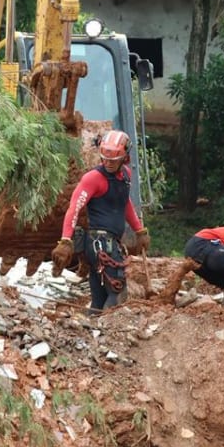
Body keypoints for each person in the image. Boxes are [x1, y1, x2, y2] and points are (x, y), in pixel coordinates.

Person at [52, 130, 150, 313]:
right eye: (105, 159)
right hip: (100, 245)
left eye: (113, 160)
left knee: (99, 299)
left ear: (124, 157)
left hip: (108, 244)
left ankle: (93, 332)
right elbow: (74, 208)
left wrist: (139, 230)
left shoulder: (126, 176)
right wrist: (65, 240)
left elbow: (124, 203)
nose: (108, 163)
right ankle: (107, 335)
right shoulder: (93, 178)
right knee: (118, 293)